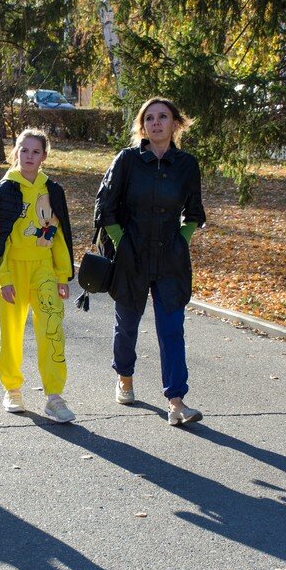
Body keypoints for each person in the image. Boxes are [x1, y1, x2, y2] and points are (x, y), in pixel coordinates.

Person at [93, 97, 206, 426]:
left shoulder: (186, 164)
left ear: (175, 124)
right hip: (132, 258)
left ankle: (176, 402)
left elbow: (194, 213)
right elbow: (105, 206)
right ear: (142, 125)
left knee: (172, 330)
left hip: (171, 260)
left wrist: (180, 240)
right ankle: (124, 377)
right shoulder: (127, 160)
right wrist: (121, 242)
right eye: (150, 118)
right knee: (127, 327)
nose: (157, 123)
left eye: (164, 117)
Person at [0, 129, 75, 423]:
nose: (29, 156)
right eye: (23, 150)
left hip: (44, 270)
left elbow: (61, 236)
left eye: (35, 151)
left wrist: (62, 275)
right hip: (13, 270)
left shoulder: (53, 190)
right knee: (11, 333)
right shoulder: (4, 190)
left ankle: (54, 396)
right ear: (16, 153)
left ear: (44, 156)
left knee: (52, 330)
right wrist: (2, 277)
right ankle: (12, 389)